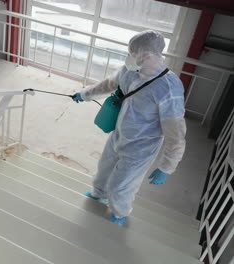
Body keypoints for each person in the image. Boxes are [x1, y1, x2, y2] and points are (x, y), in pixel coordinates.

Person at [72, 30, 186, 226]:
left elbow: (175, 132)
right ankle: (99, 193)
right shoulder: (129, 70)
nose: (130, 55)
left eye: (133, 52)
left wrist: (167, 166)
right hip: (119, 133)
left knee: (121, 185)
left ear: (148, 55)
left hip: (142, 146)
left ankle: (119, 213)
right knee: (104, 168)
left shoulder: (169, 87)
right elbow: (107, 84)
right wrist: (84, 94)